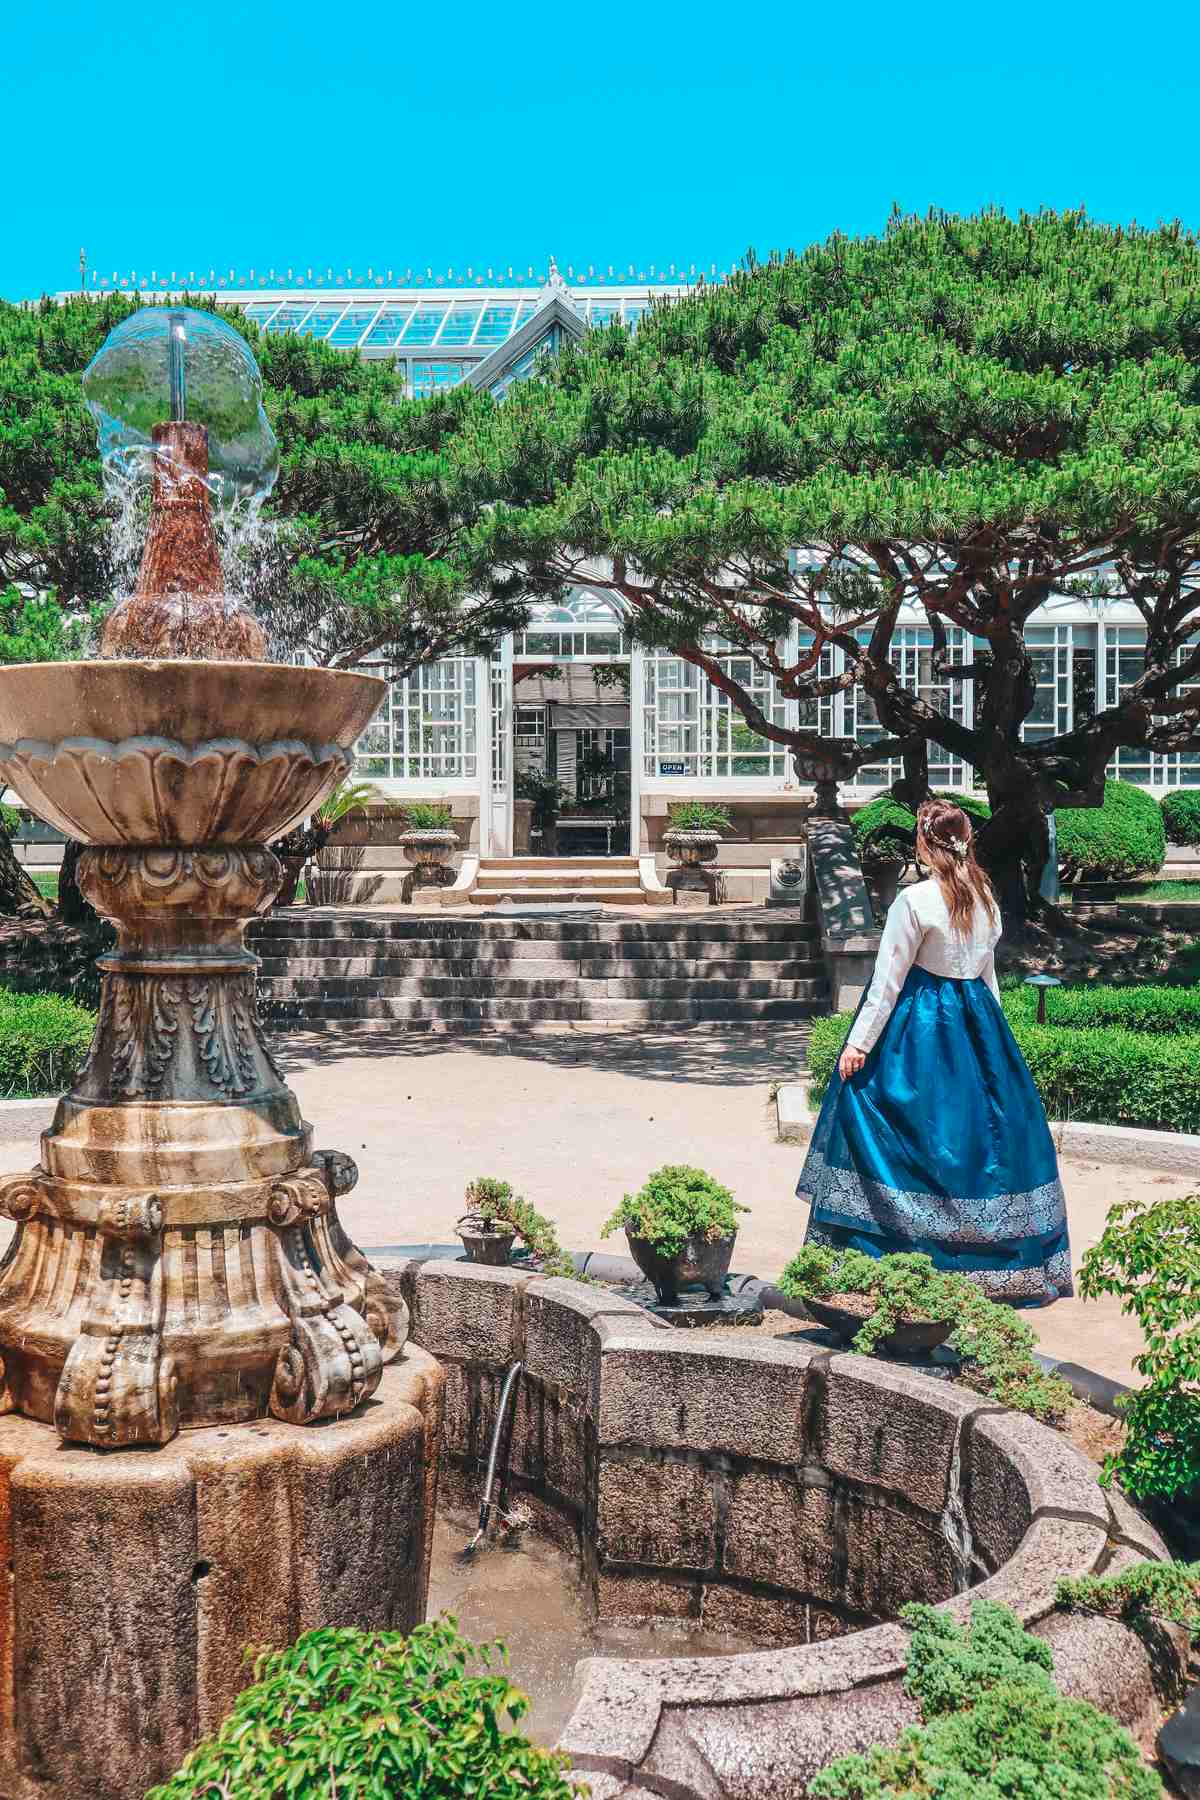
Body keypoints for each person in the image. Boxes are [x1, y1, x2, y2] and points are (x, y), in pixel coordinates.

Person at [797, 797, 1071, 1303]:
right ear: (966, 841)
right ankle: (984, 1258)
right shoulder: (984, 893)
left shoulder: (916, 900)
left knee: (885, 1119)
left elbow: (889, 980)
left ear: (924, 844)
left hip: (921, 1026)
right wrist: (996, 1043)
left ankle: (890, 1252)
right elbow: (987, 975)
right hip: (977, 1022)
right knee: (978, 1136)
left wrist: (858, 1044)